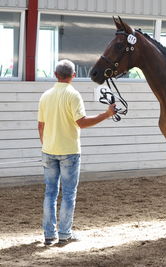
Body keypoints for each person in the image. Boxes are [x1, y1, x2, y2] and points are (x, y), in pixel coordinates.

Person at [37, 59, 116, 245]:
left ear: (56, 75)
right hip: (69, 151)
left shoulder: (45, 96)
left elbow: (41, 126)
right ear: (73, 75)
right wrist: (106, 114)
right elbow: (82, 122)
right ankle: (64, 234)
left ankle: (49, 235)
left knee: (50, 193)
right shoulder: (73, 95)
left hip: (48, 149)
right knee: (69, 194)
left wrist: (46, 144)